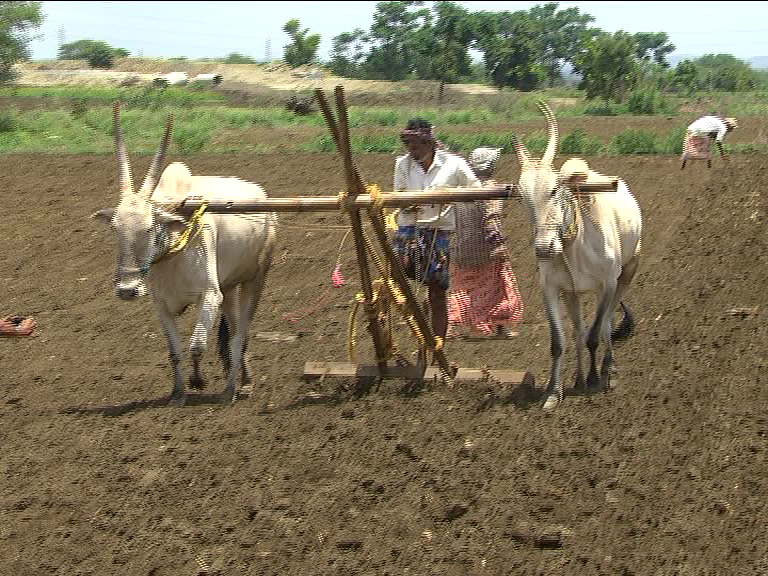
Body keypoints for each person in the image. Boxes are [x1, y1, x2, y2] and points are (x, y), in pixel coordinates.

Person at [392, 118, 481, 342]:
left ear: (429, 143)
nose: (411, 152)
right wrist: (408, 203)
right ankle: (413, 315)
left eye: (416, 147)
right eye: (408, 147)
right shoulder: (402, 165)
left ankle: (437, 344)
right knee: (398, 274)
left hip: (438, 231)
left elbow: (476, 190)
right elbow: (397, 194)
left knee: (438, 292)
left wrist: (450, 196)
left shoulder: (454, 164)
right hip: (408, 229)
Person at [447, 147, 524, 339]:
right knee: (500, 286)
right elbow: (492, 219)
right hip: (486, 250)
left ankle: (450, 326)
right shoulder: (491, 189)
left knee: (461, 288)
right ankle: (500, 327)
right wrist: (499, 245)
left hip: (461, 248)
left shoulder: (461, 188)